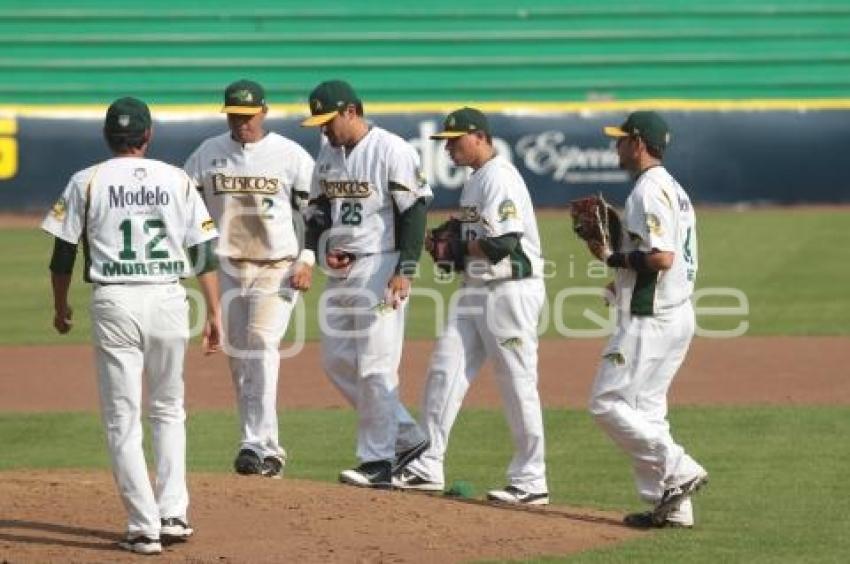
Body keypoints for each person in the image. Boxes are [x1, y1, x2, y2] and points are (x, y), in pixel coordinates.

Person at [42, 97, 221, 555]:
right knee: (168, 408)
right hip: (167, 296)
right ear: (148, 136)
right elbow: (202, 250)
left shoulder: (88, 180)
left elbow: (63, 254)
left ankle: (144, 526)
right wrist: (215, 311)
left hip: (114, 299)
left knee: (123, 418)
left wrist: (61, 306)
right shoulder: (176, 178)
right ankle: (174, 513)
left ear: (107, 137)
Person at [394, 107, 550, 505]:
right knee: (444, 371)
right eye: (445, 141)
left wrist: (458, 247)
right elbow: (474, 241)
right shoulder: (476, 179)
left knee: (516, 383)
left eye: (455, 139)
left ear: (479, 136)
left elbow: (504, 243)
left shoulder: (500, 176)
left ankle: (532, 479)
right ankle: (427, 464)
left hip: (510, 292)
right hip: (476, 290)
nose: (448, 147)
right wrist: (447, 243)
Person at [292, 79, 432, 488]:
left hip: (380, 265)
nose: (323, 129)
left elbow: (415, 208)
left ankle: (378, 460)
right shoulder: (328, 152)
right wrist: (318, 249)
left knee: (376, 365)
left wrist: (405, 268)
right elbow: (318, 210)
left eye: (328, 120)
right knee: (335, 360)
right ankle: (406, 439)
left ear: (350, 111)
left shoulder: (392, 149)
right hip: (341, 270)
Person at [183, 79, 315, 479]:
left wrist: (307, 257)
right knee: (240, 356)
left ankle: (255, 444)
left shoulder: (290, 155)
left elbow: (317, 211)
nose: (242, 123)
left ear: (264, 111)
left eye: (248, 115)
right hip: (228, 265)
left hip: (276, 265)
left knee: (262, 343)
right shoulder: (209, 152)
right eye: (235, 116)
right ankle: (263, 449)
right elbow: (185, 197)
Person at [588, 111, 708, 528]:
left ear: (638, 143)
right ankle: (673, 507)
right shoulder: (673, 188)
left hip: (651, 318)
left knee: (605, 403)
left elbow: (661, 258)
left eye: (621, 139)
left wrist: (612, 257)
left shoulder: (648, 191)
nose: (616, 146)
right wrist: (617, 281)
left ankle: (680, 468)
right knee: (648, 411)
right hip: (675, 313)